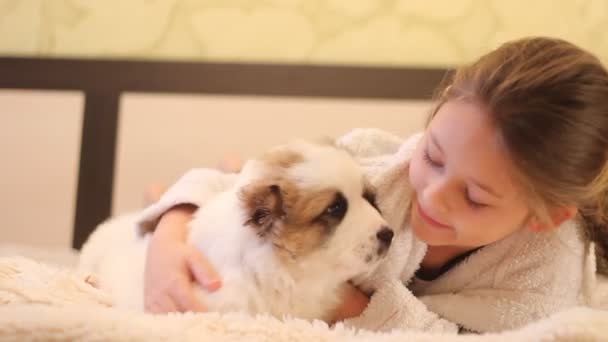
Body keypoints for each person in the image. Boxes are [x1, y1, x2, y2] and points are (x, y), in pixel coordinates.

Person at [135, 37, 608, 333]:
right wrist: (169, 233)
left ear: (549, 215)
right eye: (433, 155)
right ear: (439, 108)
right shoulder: (372, 164)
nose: (432, 195)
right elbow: (241, 192)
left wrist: (354, 304)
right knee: (224, 174)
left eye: (474, 197)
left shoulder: (545, 279)